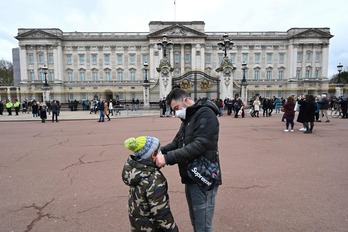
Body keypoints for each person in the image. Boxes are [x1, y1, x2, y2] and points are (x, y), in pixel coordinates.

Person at [156, 88, 221, 232]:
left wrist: (167, 159)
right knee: (196, 221)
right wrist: (158, 152)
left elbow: (200, 145)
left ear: (185, 100)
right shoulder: (188, 118)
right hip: (191, 176)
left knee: (203, 226)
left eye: (176, 108)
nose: (175, 113)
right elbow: (176, 142)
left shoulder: (206, 114)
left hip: (204, 177)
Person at [122, 136, 179, 232]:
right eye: (159, 150)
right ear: (153, 155)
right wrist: (173, 229)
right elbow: (161, 212)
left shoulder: (136, 171)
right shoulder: (154, 179)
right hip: (153, 227)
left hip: (138, 225)